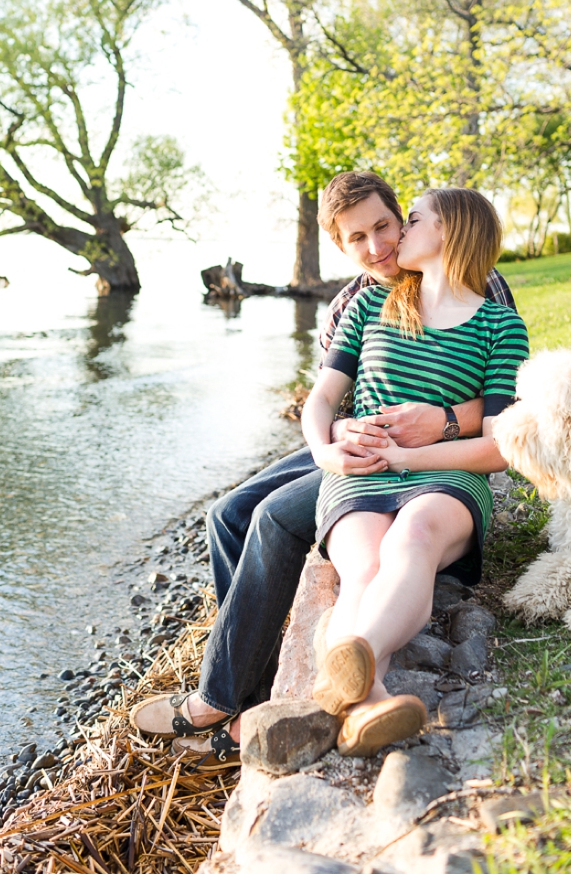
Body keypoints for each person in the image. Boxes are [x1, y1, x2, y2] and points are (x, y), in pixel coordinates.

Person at [130, 172, 516, 770]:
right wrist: (330, 443)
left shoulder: (481, 284)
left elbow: (501, 406)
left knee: (274, 520)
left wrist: (434, 423)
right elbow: (330, 400)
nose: (378, 246)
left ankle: (224, 701)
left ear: (404, 218)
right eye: (358, 238)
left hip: (429, 450)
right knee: (227, 513)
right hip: (358, 442)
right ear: (341, 246)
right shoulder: (354, 302)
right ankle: (247, 688)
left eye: (388, 226)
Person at [304, 188, 529, 757]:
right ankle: (367, 701)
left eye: (411, 220)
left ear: (449, 232)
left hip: (447, 476)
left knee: (415, 540)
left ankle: (353, 658)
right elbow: (321, 400)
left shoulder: (501, 326)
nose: (397, 234)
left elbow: (497, 447)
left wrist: (408, 458)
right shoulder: (366, 307)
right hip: (360, 473)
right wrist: (324, 451)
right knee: (364, 570)